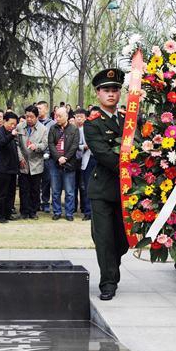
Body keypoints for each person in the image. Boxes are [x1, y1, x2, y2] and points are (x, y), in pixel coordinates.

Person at [83, 68, 127, 301]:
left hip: (126, 190)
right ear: (98, 94)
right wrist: (129, 167)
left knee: (122, 240)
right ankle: (108, 282)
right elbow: (104, 154)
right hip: (102, 190)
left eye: (115, 90)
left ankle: (113, 267)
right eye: (106, 90)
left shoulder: (127, 121)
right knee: (104, 238)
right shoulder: (92, 123)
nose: (111, 94)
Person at [46, 105, 80, 221]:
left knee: (70, 191)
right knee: (55, 190)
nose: (57, 118)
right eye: (56, 115)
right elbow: (50, 144)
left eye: (60, 116)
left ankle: (69, 213)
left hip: (69, 164)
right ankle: (57, 211)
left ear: (66, 116)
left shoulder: (74, 129)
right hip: (55, 163)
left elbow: (74, 146)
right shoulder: (53, 128)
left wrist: (65, 158)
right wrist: (58, 158)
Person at [16, 105, 48, 219]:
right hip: (23, 163)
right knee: (24, 189)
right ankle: (24, 211)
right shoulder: (20, 127)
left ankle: (33, 211)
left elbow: (45, 144)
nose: (29, 119)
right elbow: (17, 144)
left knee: (35, 189)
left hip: (36, 163)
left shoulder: (43, 129)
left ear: (37, 117)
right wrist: (20, 158)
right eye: (27, 116)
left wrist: (37, 146)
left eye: (31, 117)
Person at [0, 111, 21, 223]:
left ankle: (8, 213)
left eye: (15, 124)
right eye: (11, 123)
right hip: (3, 168)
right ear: (4, 121)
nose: (13, 126)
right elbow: (2, 143)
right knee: (2, 193)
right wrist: (12, 135)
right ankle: (0, 215)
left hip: (12, 168)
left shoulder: (11, 133)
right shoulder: (0, 132)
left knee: (11, 193)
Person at [73, 108, 93, 221]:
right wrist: (84, 147)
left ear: (86, 117)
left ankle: (88, 210)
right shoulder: (74, 129)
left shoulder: (89, 128)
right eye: (77, 116)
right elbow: (77, 145)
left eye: (81, 116)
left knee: (86, 186)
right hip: (78, 159)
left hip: (90, 159)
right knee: (80, 186)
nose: (79, 118)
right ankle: (86, 210)